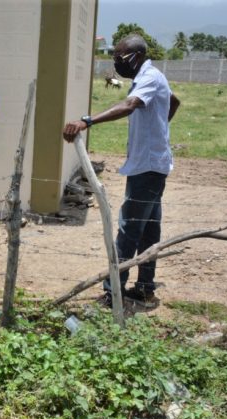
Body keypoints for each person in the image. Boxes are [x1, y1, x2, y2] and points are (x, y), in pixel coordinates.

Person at [63, 34, 180, 308]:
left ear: (136, 57)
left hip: (148, 166)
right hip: (152, 163)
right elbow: (173, 101)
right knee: (149, 230)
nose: (116, 63)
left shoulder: (149, 78)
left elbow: (129, 106)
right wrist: (159, 131)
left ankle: (112, 291)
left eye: (120, 58)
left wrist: (87, 121)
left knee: (129, 229)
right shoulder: (150, 77)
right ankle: (144, 288)